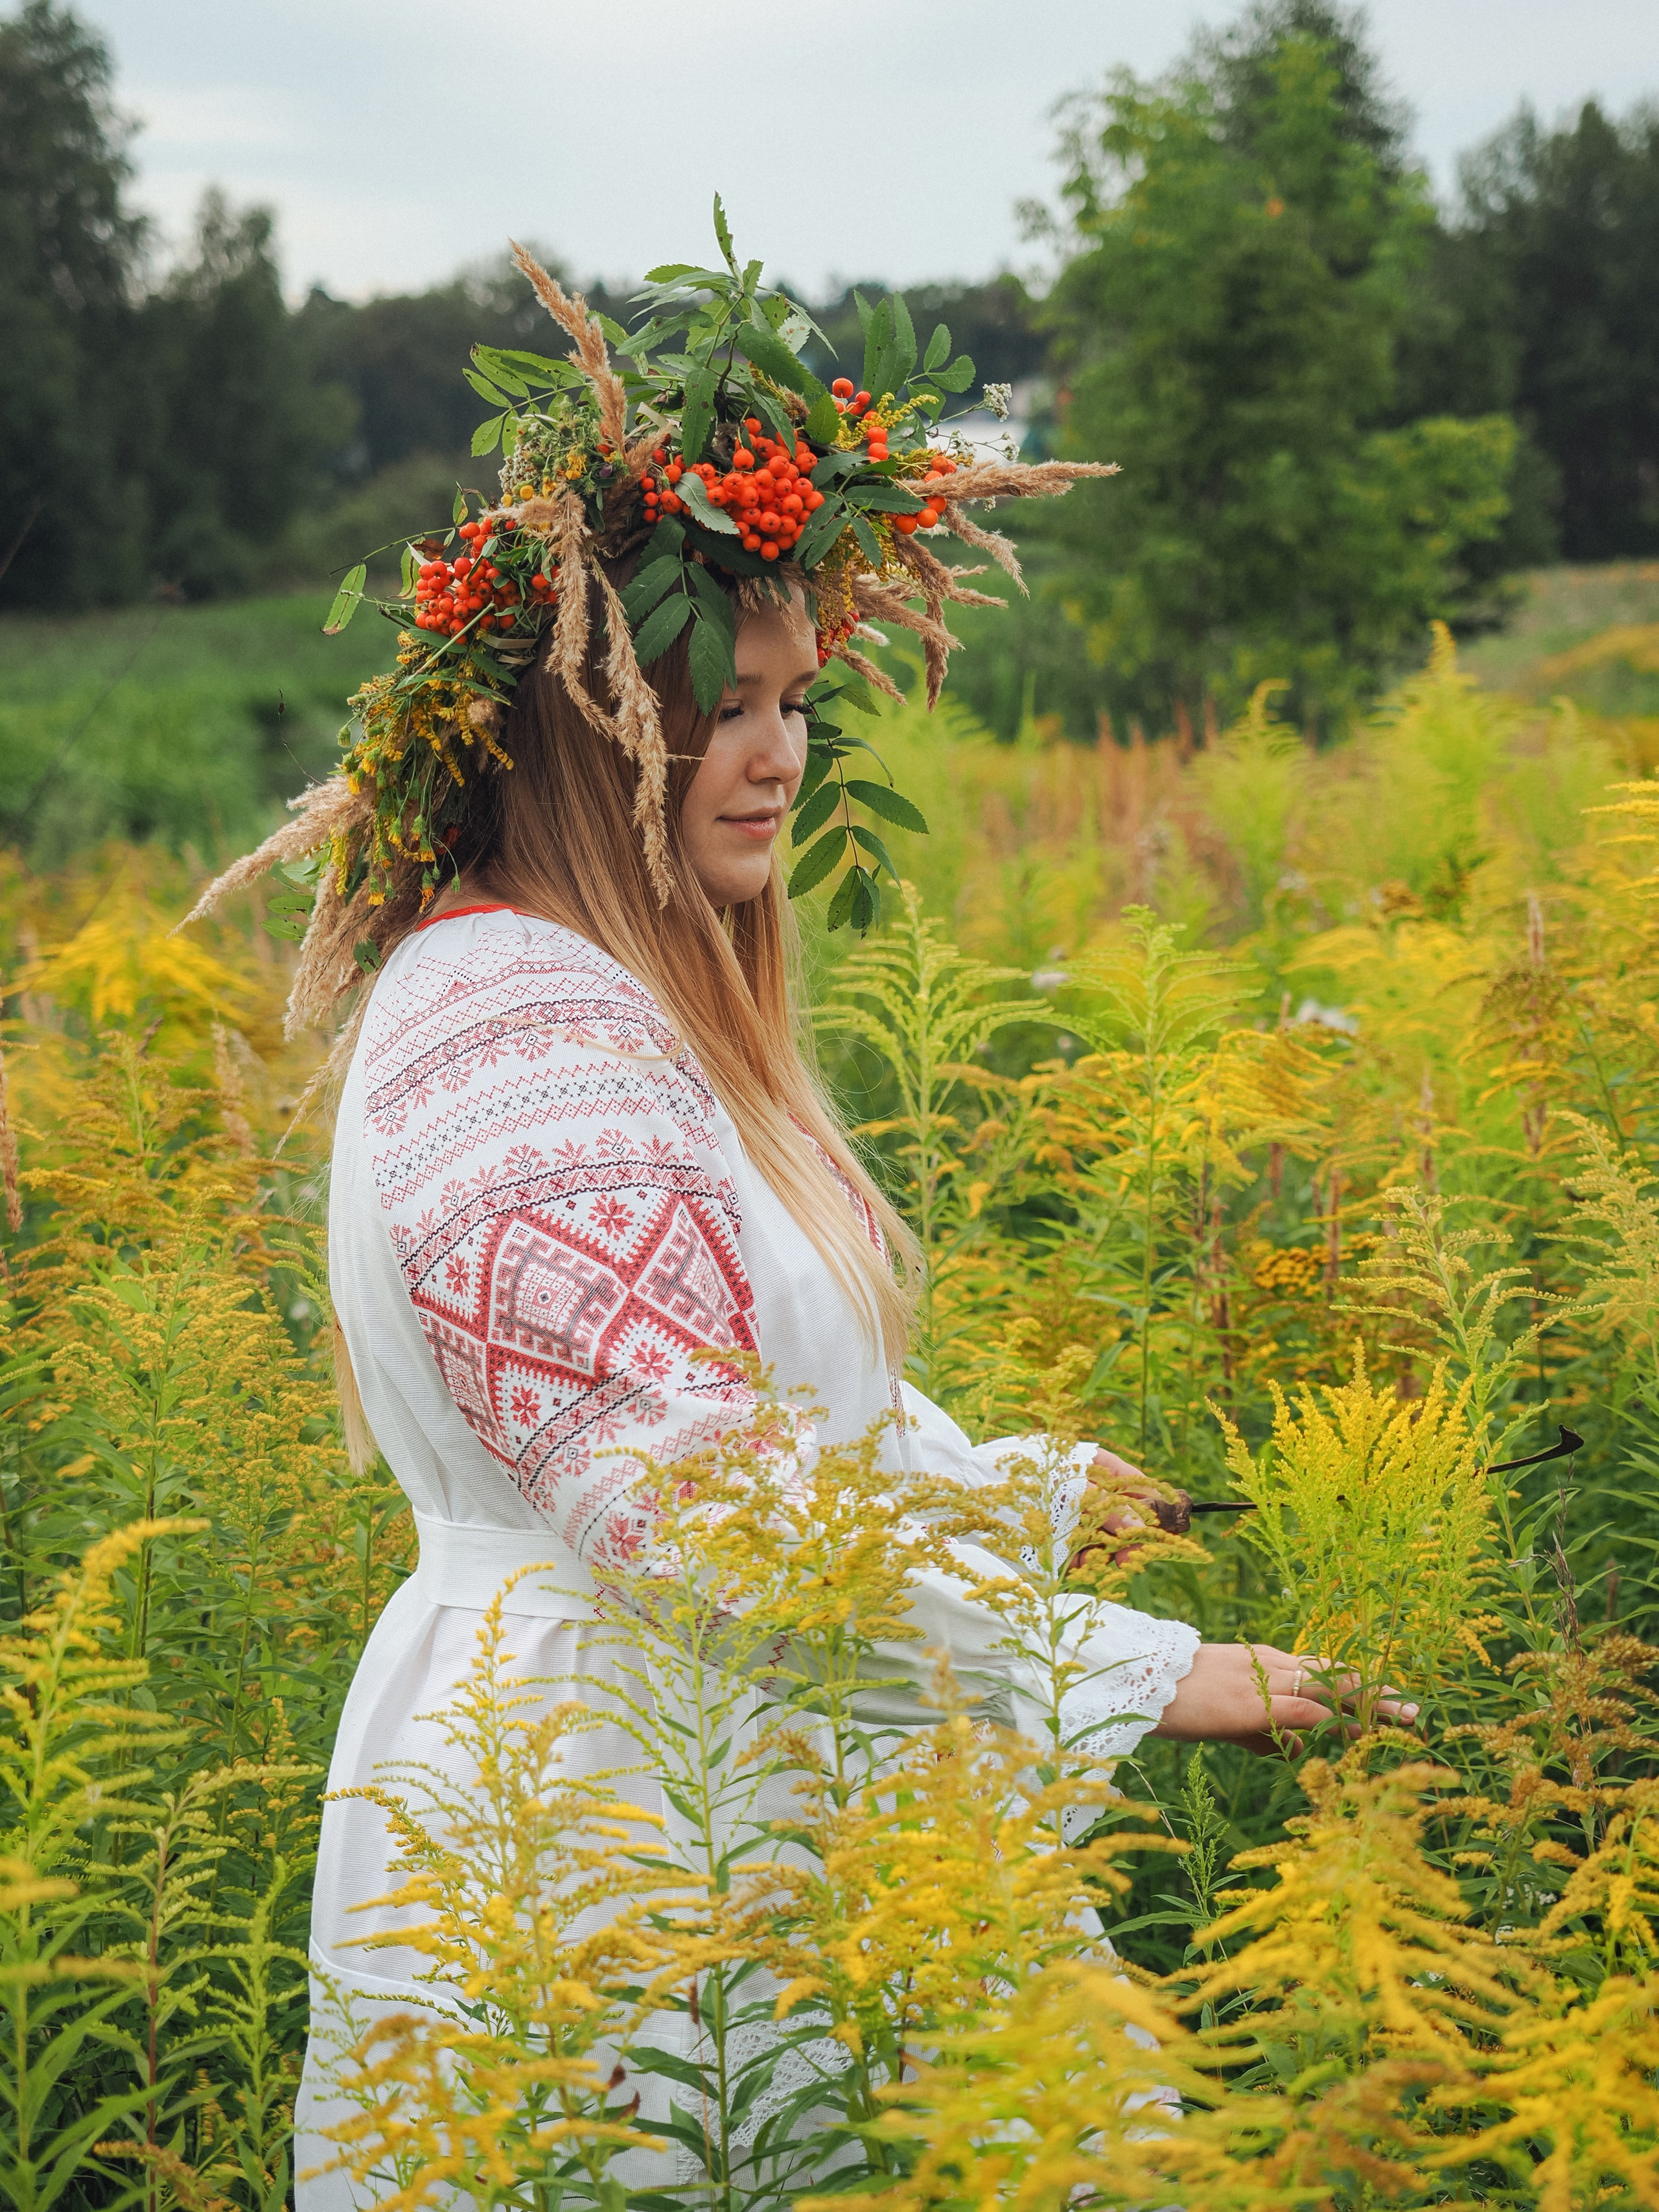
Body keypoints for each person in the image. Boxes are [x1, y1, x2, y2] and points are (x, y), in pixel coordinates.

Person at [188, 230, 1381, 2206]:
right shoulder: (515, 1029)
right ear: (580, 717)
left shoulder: (614, 999)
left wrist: (1009, 1493)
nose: (775, 755)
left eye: (797, 702)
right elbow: (686, 1507)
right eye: (719, 705)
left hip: (760, 1777)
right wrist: (1123, 1668)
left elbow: (736, 1400)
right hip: (599, 1834)